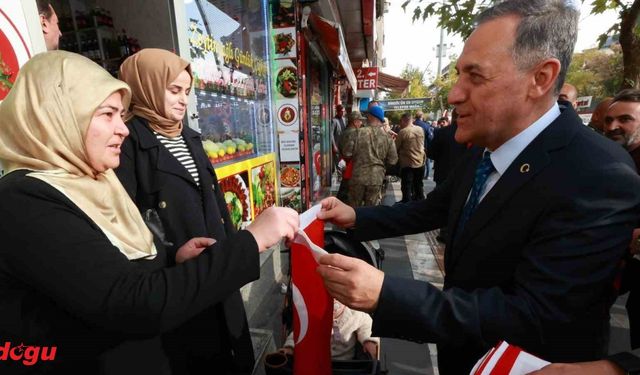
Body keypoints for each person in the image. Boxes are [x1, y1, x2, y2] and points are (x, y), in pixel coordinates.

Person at [314, 1, 640, 374]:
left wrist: (388, 294)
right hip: (462, 351)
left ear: (541, 78)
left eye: (475, 76)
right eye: (458, 75)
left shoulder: (598, 174)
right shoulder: (487, 144)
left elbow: (536, 314)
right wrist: (355, 216)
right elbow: (433, 208)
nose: (454, 95)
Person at [0, 51, 299, 374]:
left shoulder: (90, 180)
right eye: (107, 114)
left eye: (121, 114)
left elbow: (112, 264)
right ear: (59, 116)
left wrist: (171, 259)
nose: (123, 128)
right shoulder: (25, 200)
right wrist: (249, 241)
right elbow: (127, 301)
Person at [115, 48, 263, 374]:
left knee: (231, 354)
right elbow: (124, 224)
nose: (183, 100)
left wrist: (231, 251)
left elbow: (216, 203)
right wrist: (170, 258)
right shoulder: (126, 146)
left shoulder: (189, 137)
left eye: (186, 91)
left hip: (217, 272)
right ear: (147, 87)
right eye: (173, 90)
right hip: (177, 282)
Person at [530, 90, 640, 375]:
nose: (613, 126)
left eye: (625, 119)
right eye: (609, 119)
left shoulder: (616, 167)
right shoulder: (602, 159)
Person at [281, 300, 380, 360]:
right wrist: (290, 347)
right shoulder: (313, 314)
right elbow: (299, 333)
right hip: (318, 362)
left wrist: (369, 341)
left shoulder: (355, 313)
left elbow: (367, 325)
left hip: (346, 363)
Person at [343, 105, 397, 207]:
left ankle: (356, 223)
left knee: (354, 209)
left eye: (367, 115)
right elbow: (393, 160)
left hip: (357, 176)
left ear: (371, 116)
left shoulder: (357, 133)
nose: (366, 117)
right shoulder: (388, 138)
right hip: (376, 178)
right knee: (371, 210)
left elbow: (347, 153)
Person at [395, 112, 425, 202]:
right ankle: (420, 201)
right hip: (420, 162)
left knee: (406, 186)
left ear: (404, 121)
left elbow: (396, 147)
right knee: (418, 184)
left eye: (401, 121)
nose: (400, 124)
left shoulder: (403, 132)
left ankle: (406, 203)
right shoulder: (420, 129)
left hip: (408, 163)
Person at [337, 111, 366, 202]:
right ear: (355, 121)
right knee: (348, 193)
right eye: (360, 121)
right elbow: (348, 153)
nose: (361, 123)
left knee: (345, 189)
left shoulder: (345, 132)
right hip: (350, 166)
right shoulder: (353, 133)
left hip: (346, 165)